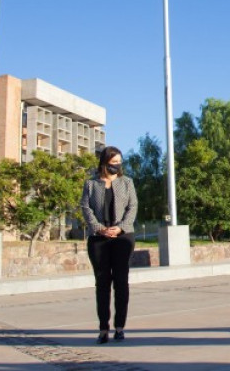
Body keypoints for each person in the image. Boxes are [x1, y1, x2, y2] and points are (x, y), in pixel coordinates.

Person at [81, 146, 138, 343]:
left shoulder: (127, 183)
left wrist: (121, 227)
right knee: (102, 284)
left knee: (121, 282)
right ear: (105, 163)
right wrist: (98, 228)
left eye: (119, 162)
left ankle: (120, 327)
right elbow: (85, 207)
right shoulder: (91, 184)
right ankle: (103, 328)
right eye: (114, 163)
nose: (117, 166)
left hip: (122, 238)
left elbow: (132, 207)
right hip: (99, 240)